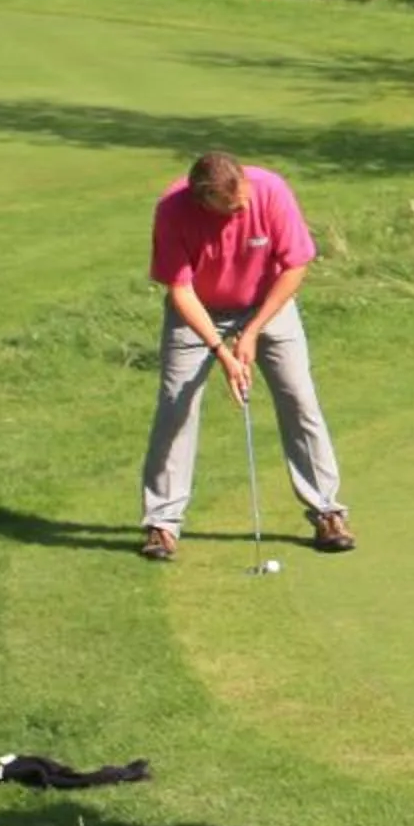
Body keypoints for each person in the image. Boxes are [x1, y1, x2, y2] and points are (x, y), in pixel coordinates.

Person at [141, 150, 353, 561]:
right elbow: (180, 290)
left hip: (268, 305)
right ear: (204, 199)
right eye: (231, 205)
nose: (243, 206)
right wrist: (223, 351)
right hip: (199, 311)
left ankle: (327, 511)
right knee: (175, 409)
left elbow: (295, 266)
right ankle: (161, 525)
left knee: (299, 399)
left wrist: (252, 332)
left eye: (243, 196)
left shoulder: (269, 190)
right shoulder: (173, 209)